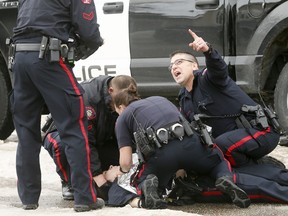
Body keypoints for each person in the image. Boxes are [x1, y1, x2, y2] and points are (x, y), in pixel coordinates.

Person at [10, 0, 104, 212]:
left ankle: (29, 198)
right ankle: (85, 197)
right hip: (48, 59)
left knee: (26, 130)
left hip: (20, 59)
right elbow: (88, 32)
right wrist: (93, 43)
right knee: (74, 125)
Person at [113, 83, 251, 209]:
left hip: (162, 156)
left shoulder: (123, 117)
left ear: (120, 106)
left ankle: (148, 187)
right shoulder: (161, 99)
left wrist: (122, 171)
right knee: (218, 162)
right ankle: (224, 178)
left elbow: (126, 162)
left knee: (143, 178)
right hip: (191, 145)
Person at [169, 29, 281, 168]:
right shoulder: (184, 99)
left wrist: (208, 50)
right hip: (233, 141)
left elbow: (219, 68)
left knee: (221, 147)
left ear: (194, 65)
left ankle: (264, 171)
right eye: (171, 65)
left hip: (262, 131)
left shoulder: (207, 78)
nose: (174, 67)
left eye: (179, 62)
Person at [42, 75, 137, 201]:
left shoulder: (125, 94)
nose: (122, 106)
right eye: (120, 103)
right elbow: (86, 141)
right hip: (66, 134)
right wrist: (99, 179)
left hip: (101, 138)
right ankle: (69, 182)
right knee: (63, 146)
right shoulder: (89, 97)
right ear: (110, 91)